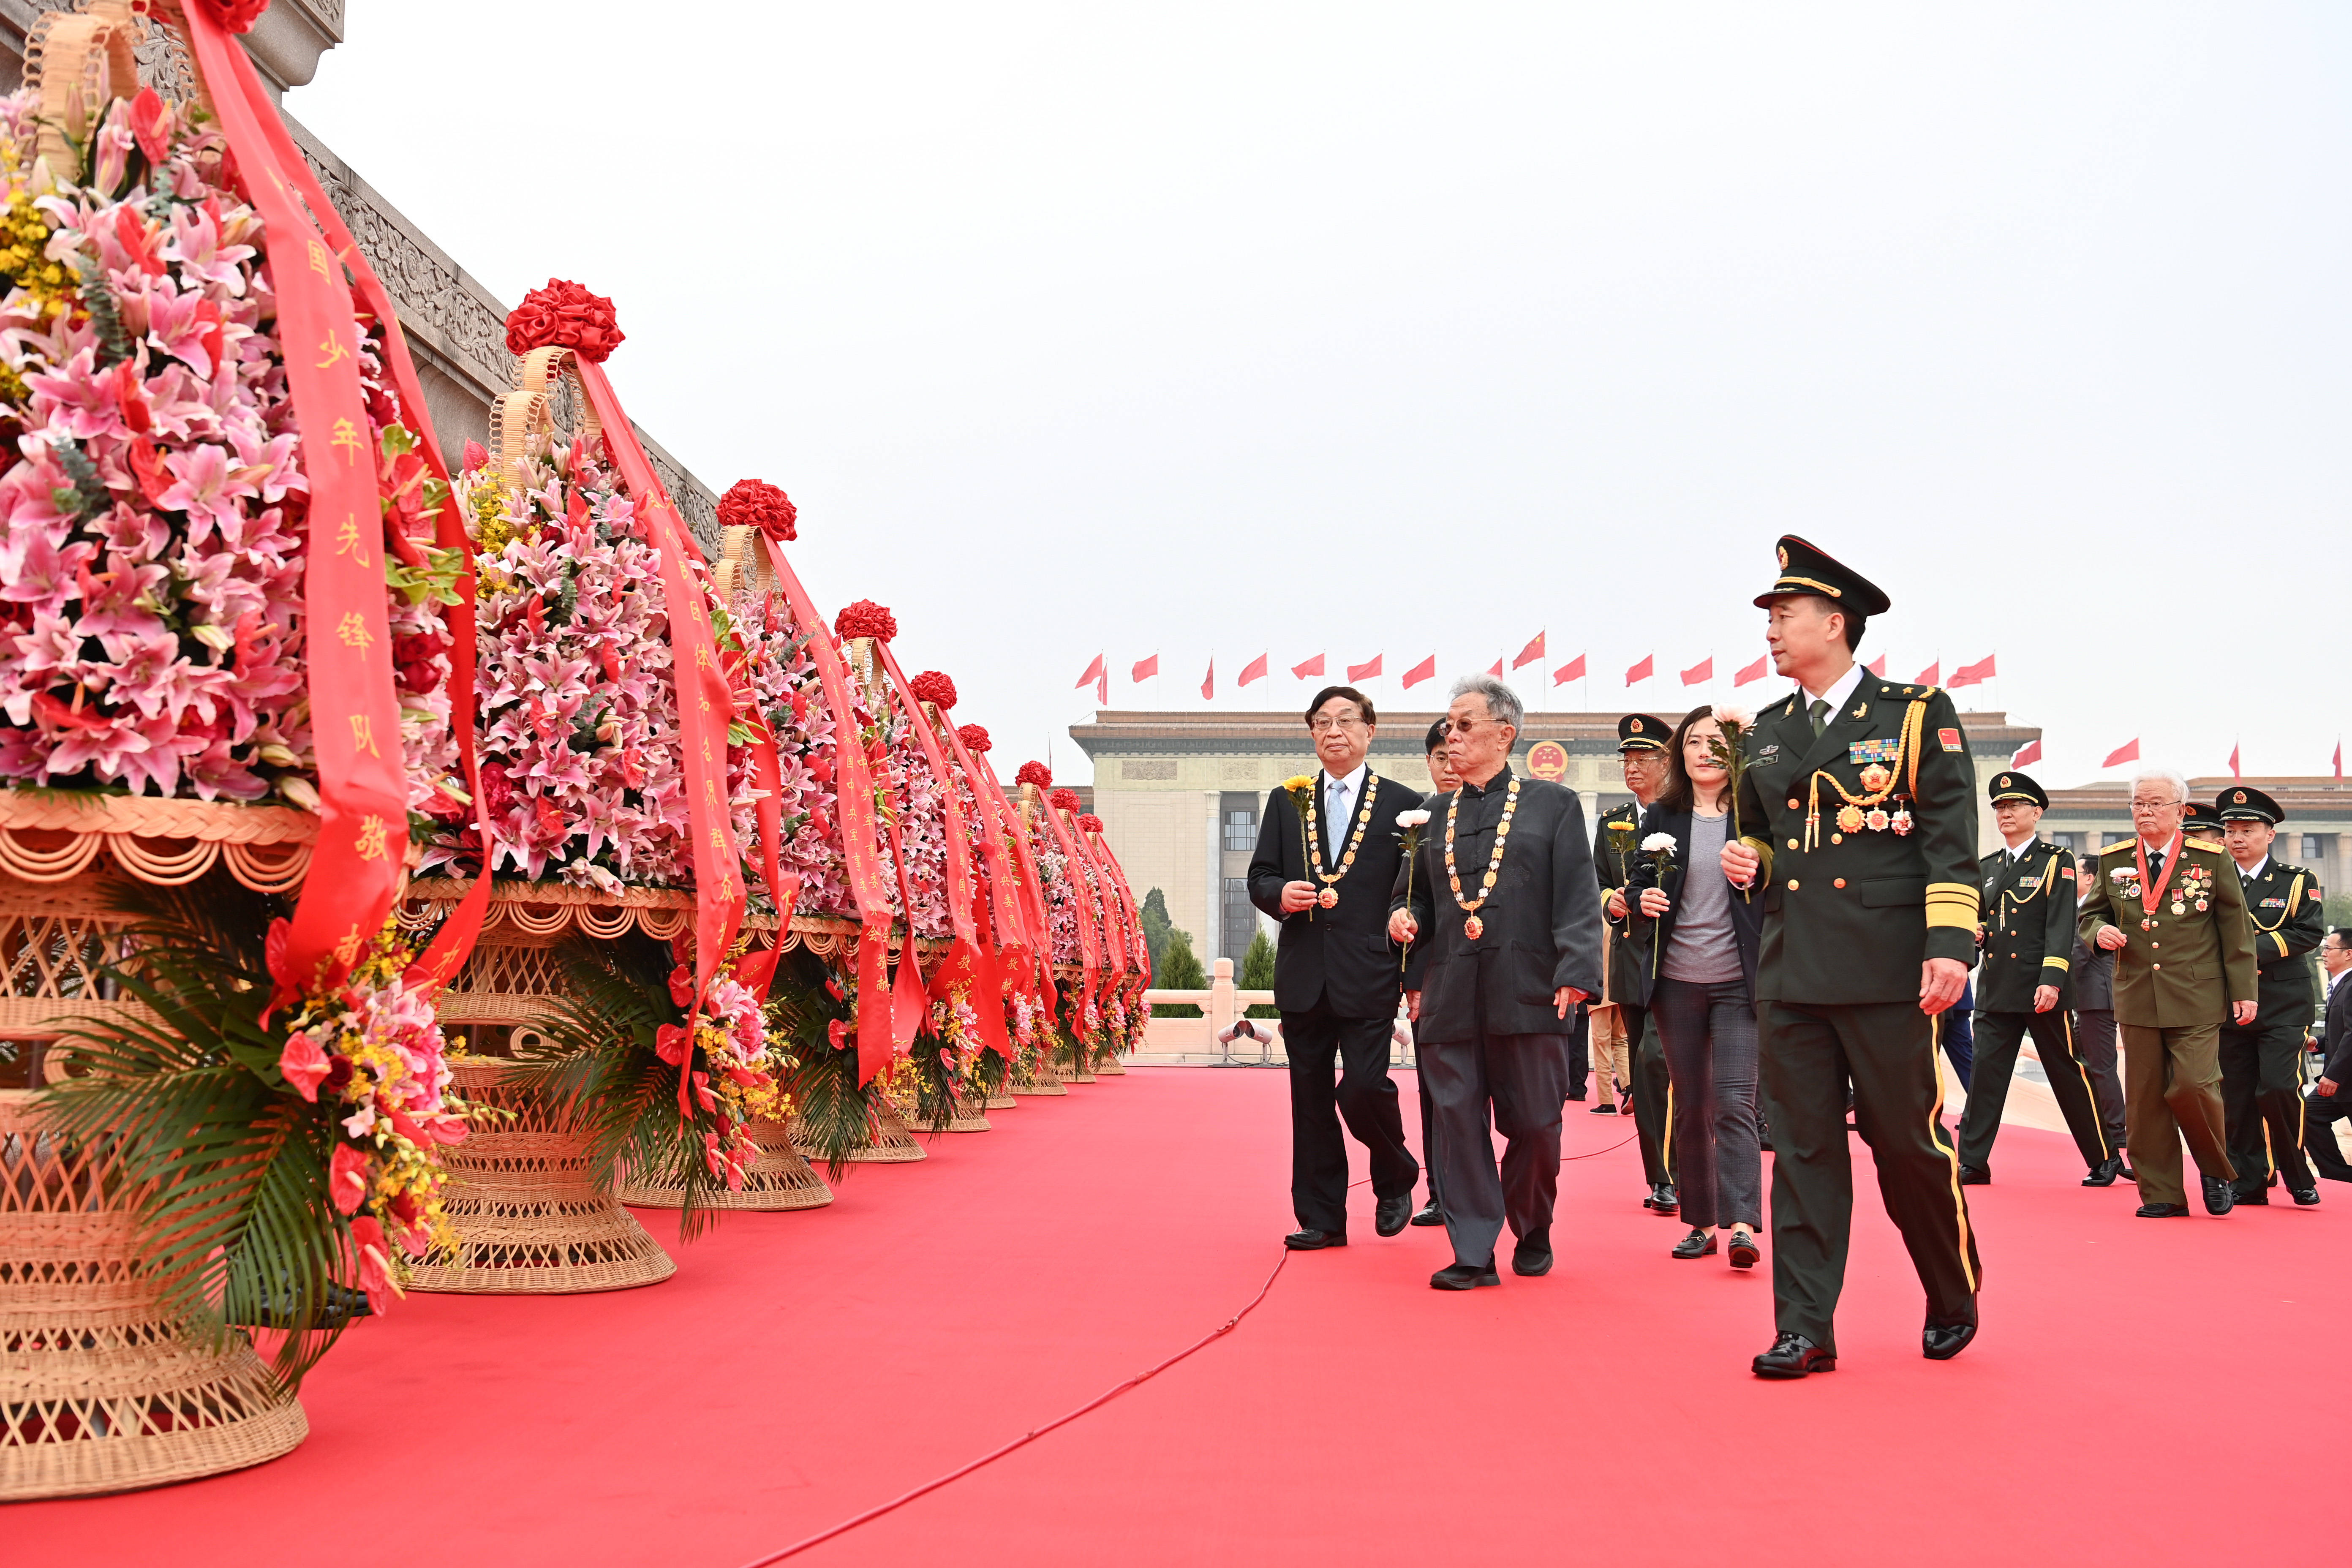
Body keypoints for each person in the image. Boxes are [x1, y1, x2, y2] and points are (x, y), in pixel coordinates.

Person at [1718, 536, 1984, 1378]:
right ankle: (1805, 1324)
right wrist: (1750, 855)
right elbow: (1757, 826)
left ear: (1833, 623)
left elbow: (1949, 842)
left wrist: (1949, 947)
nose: (1770, 629)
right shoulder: (1763, 731)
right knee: (1801, 1149)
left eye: (1783, 614)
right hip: (1793, 967)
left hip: (1885, 966)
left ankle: (1950, 1287)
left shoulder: (1914, 715)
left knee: (1904, 1141)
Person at [1389, 673, 1603, 1289]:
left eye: (1463, 725)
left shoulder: (1553, 805)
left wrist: (1576, 971)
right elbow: (1418, 902)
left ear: (1504, 733)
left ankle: (1533, 1225)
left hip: (1531, 989)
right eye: (1447, 727)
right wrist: (1404, 921)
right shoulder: (1430, 815)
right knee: (1456, 1123)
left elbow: (1579, 899)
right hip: (1451, 993)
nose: (1449, 736)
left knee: (1536, 1121)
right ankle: (1474, 1249)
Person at [1247, 685, 1426, 1252]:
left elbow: (1413, 893)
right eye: (1322, 722)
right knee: (1310, 1101)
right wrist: (1281, 894)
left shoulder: (1404, 804)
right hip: (1304, 973)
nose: (1334, 732)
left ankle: (1395, 1170)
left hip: (1370, 973)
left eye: (1346, 721)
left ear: (1370, 731)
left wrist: (1409, 964)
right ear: (1311, 734)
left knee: (1365, 1088)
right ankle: (1323, 1218)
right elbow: (1259, 877)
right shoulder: (1286, 800)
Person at [2076, 766, 2258, 1218]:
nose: (2145, 811)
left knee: (2195, 1086)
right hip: (2137, 992)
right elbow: (2089, 915)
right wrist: (2100, 933)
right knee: (2145, 1098)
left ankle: (2215, 1169)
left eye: (2155, 803)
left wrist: (2245, 991)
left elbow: (2236, 931)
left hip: (2197, 994)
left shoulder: (2210, 859)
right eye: (2139, 803)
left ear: (2180, 810)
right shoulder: (2113, 859)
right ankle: (2161, 1192)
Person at [1628, 707, 1765, 1268]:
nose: (1705, 750)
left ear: (1734, 751)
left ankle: (1742, 1225)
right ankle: (1701, 1223)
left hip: (1738, 982)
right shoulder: (1663, 815)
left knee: (1735, 1103)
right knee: (1691, 1106)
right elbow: (1637, 883)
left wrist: (1759, 872)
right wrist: (1640, 900)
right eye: (1694, 741)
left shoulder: (1756, 818)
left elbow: (1784, 890)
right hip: (1677, 983)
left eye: (1716, 741)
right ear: (1680, 753)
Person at [1954, 772, 2121, 1186]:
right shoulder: (1988, 867)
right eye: (1999, 808)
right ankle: (1973, 1161)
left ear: (2036, 812)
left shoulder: (2055, 860)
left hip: (2041, 988)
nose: (2005, 813)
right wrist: (1975, 934)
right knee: (1985, 1079)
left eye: (2013, 806)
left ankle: (2103, 1157)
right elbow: (1982, 920)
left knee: (2068, 1074)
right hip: (1996, 988)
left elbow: (2061, 924)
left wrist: (2052, 979)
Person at [2214, 786, 2323, 1206]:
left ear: (2270, 834)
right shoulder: (2210, 882)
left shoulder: (2297, 881)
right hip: (2229, 1004)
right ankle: (2249, 1178)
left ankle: (2297, 1172)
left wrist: (2244, 955)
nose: (2238, 838)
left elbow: (2308, 932)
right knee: (2236, 1097)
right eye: (2231, 830)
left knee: (2278, 1088)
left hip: (2282, 1003)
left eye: (2248, 829)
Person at [1593, 713, 1681, 1217]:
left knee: (1657, 1059)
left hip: (1676, 957)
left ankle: (1685, 1167)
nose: (1632, 768)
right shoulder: (1615, 822)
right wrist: (1613, 902)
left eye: (1642, 759)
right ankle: (1661, 1177)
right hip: (1630, 957)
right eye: (1626, 759)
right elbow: (1600, 881)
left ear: (1665, 763)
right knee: (1648, 1077)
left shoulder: (1682, 816)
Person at [1408, 719, 1457, 1228]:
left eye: (1454, 754)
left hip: (1498, 980)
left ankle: (1489, 1185)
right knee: (1436, 1091)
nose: (1449, 766)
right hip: (1437, 983)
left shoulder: (1507, 816)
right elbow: (1408, 901)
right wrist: (1413, 980)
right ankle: (1441, 1191)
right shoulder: (1416, 822)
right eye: (1439, 757)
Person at [2069, 880, 2132, 1175]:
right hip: (2091, 998)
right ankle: (2106, 1126)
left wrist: (2058, 984)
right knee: (2083, 1059)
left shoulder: (2093, 911)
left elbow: (2081, 953)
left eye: (2079, 871)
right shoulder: (2082, 907)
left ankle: (2117, 1133)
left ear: (2091, 878)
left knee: (2102, 1066)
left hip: (2098, 998)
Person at [2302, 928, 2352, 1183]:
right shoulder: (2341, 985)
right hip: (2341, 1082)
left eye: (2329, 949)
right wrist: (2318, 1043)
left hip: (2343, 1079)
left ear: (2349, 954)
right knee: (2308, 1116)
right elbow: (2342, 1032)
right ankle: (2340, 1176)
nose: (2323, 954)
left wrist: (2333, 1075)